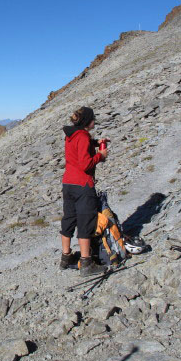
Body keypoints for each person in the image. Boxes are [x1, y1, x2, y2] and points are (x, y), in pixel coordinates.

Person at [60, 106, 109, 277]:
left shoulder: (71, 134)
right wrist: (101, 156)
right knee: (85, 221)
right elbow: (85, 163)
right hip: (83, 185)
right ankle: (87, 264)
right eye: (93, 118)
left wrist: (96, 143)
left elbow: (79, 148)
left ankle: (65, 258)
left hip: (68, 183)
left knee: (68, 219)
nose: (95, 120)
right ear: (88, 121)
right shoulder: (82, 136)